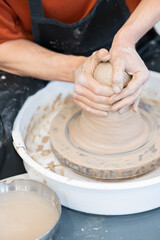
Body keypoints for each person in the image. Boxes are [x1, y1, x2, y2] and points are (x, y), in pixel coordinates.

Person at [0, 0, 160, 179]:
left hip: (133, 37)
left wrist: (126, 39)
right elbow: (3, 46)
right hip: (37, 54)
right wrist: (75, 69)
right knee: (4, 133)